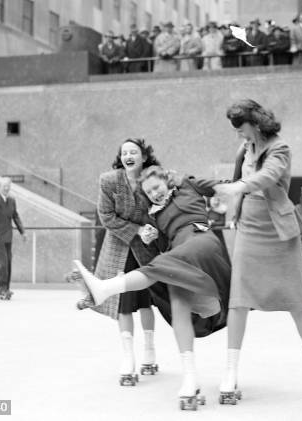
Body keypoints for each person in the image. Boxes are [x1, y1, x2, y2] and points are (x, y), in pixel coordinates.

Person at [74, 166, 231, 409]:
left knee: (161, 265)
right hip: (179, 258)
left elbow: (224, 185)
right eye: (149, 192)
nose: (154, 194)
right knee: (179, 312)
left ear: (167, 181)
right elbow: (157, 242)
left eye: (156, 187)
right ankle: (190, 378)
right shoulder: (152, 215)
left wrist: (242, 185)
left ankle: (105, 288)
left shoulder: (188, 185)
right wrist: (148, 236)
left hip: (202, 243)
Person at [213, 99, 302, 403]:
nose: (238, 133)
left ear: (255, 122)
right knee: (237, 302)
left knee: (298, 303)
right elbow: (238, 180)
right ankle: (230, 372)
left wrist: (238, 187)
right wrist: (229, 209)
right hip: (248, 231)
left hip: (278, 232)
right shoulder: (244, 148)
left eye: (241, 127)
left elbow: (268, 177)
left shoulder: (280, 147)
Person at [89, 138, 163, 386]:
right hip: (119, 248)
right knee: (123, 303)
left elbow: (163, 207)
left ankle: (150, 351)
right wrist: (137, 230)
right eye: (124, 152)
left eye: (134, 152)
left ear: (143, 156)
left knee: (146, 302)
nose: (128, 156)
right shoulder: (109, 180)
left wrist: (152, 229)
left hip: (147, 249)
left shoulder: (152, 179)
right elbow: (106, 216)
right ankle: (128, 357)